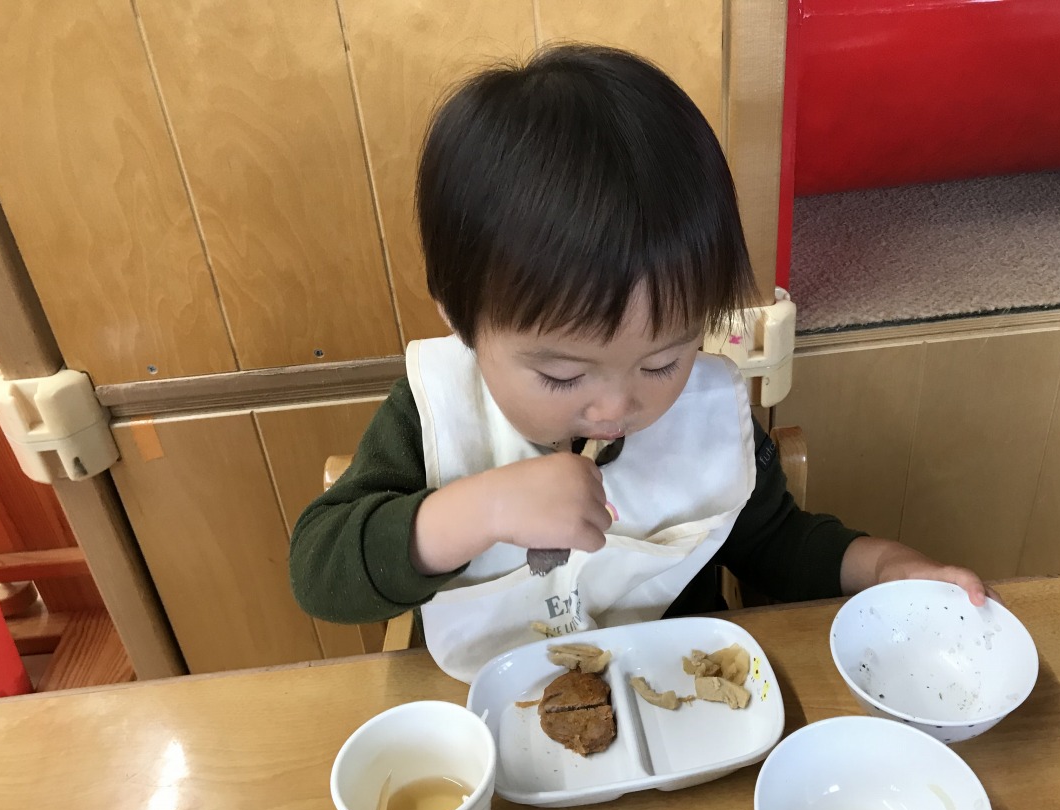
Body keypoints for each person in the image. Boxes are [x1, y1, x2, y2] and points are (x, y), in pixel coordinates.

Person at [289, 44, 989, 683]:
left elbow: (776, 542)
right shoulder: (437, 413)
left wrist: (881, 566)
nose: (616, 407)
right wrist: (478, 510)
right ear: (459, 316)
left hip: (683, 699)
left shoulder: (701, 413)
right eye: (562, 376)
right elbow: (319, 572)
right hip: (486, 718)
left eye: (662, 362)